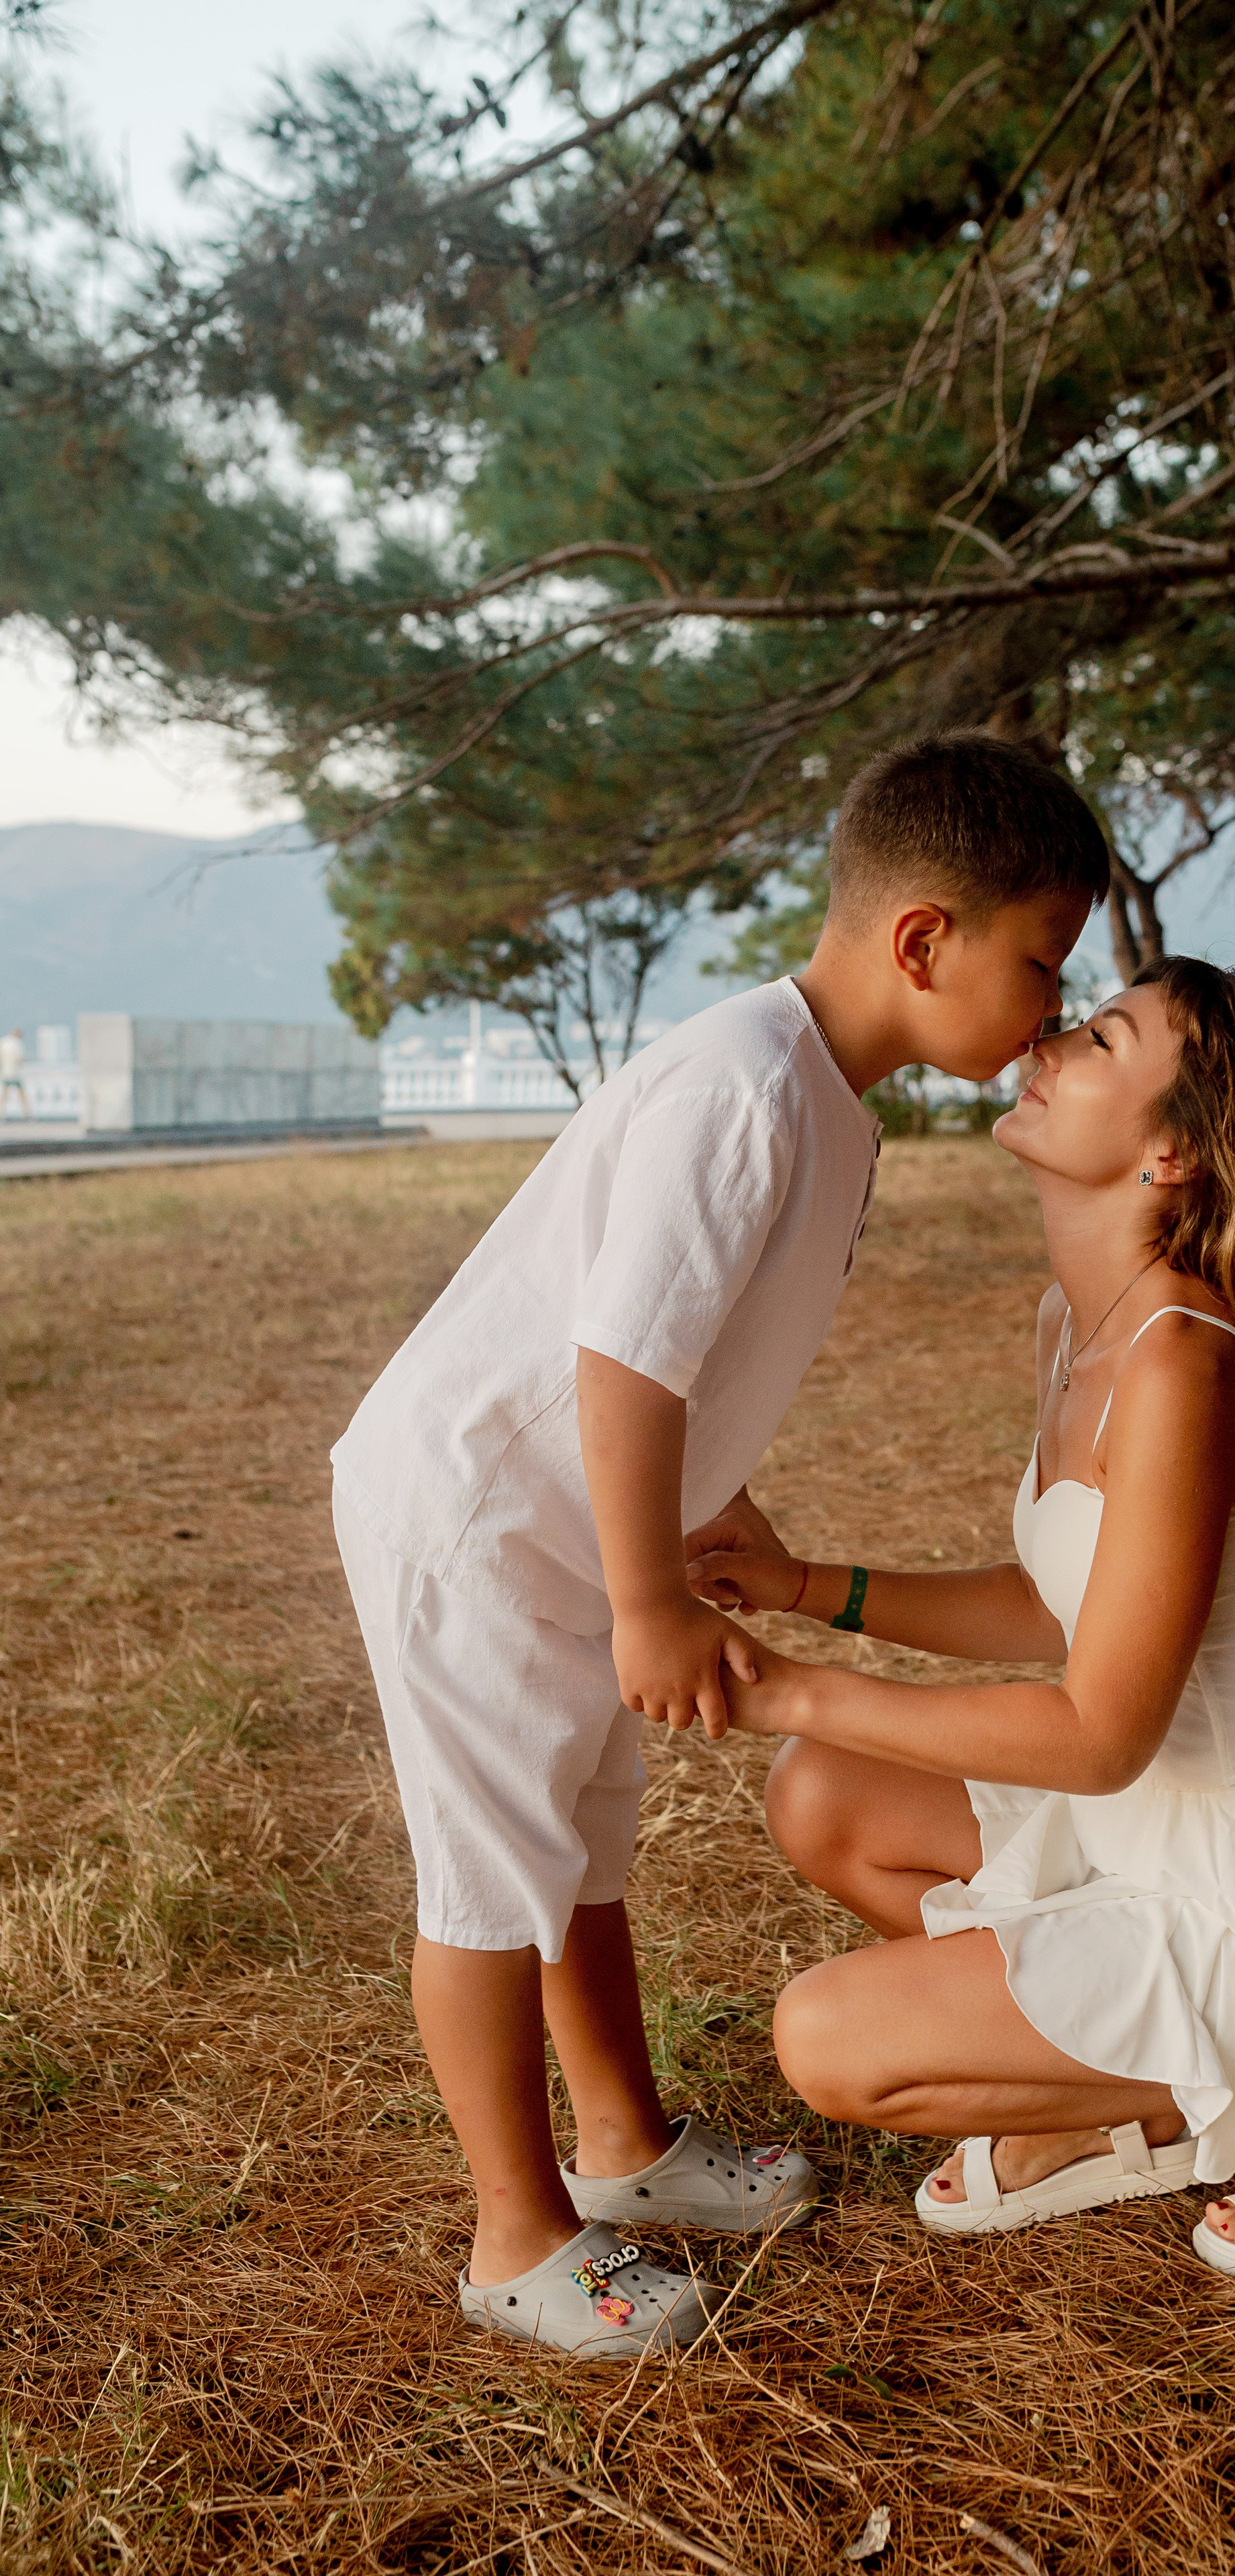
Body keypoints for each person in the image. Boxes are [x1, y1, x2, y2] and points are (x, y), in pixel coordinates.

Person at [331, 731, 1110, 2355]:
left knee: (582, 1839)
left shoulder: (828, 1101)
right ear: (923, 940)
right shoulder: (745, 1081)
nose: (1049, 1001)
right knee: (490, 1873)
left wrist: (695, 1521)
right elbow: (619, 1356)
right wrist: (640, 1592)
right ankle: (513, 2229)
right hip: (476, 1517)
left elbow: (686, 1356)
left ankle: (618, 2145)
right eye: (1038, 959)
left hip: (573, 1522)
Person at [688, 959, 1235, 2285]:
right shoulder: (1081, 1327)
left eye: (1098, 1036)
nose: (1048, 1038)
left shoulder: (1183, 1366)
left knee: (823, 2039)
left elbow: (1094, 1733)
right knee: (821, 1799)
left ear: (1174, 1150)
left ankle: (1227, 2079)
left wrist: (786, 1685)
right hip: (1141, 1821)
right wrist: (803, 1586)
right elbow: (1047, 1603)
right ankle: (1126, 2089)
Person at [0, 1028, 27, 1119]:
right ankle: (28, 1115)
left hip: (6, 1072)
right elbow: (18, 1059)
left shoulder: (4, 1042)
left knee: (4, 1095)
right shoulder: (16, 1044)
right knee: (22, 1095)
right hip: (15, 1074)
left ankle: (1, 1114)